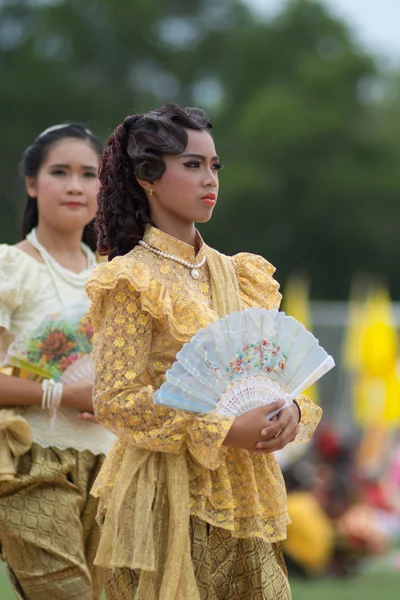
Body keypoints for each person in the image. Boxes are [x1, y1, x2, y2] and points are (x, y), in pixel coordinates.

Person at [87, 103, 323, 600]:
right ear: (148, 177)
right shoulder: (130, 278)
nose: (208, 178)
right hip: (163, 492)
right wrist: (220, 428)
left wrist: (293, 411)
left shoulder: (240, 274)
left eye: (214, 165)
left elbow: (278, 377)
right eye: (192, 164)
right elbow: (117, 398)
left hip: (244, 493)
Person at [0, 123, 115, 600]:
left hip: (114, 470)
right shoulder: (11, 266)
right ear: (32, 183)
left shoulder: (117, 276)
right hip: (31, 465)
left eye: (89, 174)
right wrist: (63, 393)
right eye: (60, 172)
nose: (75, 186)